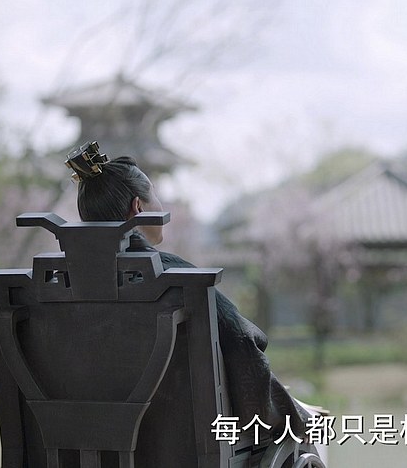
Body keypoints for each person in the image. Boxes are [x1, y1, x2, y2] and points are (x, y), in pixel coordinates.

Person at [66, 144, 310, 441]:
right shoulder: (170, 276)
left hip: (84, 438)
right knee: (302, 429)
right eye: (155, 195)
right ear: (138, 208)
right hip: (178, 438)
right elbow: (243, 340)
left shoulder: (60, 283)